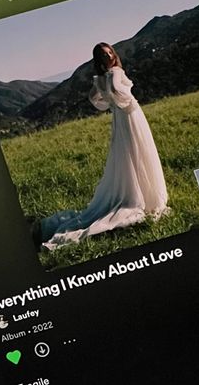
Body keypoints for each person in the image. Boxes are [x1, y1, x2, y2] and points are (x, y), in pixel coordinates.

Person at [40, 42, 168, 250]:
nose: (109, 55)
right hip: (131, 115)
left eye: (110, 52)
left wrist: (110, 102)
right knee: (138, 150)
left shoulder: (101, 77)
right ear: (101, 59)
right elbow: (117, 88)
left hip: (119, 117)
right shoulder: (116, 71)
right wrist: (125, 100)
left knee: (126, 153)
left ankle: (134, 190)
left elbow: (93, 99)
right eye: (105, 54)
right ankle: (144, 195)